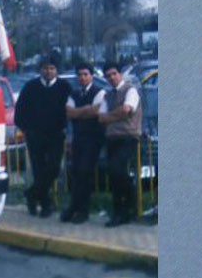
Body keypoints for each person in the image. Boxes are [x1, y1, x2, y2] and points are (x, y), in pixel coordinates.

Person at [14, 55, 72, 217]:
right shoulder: (30, 87)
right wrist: (27, 129)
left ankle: (32, 194)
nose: (48, 71)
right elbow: (19, 112)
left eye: (52, 68)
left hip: (56, 135)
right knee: (39, 169)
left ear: (57, 71)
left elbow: (70, 109)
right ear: (40, 69)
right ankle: (45, 205)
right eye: (46, 68)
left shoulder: (64, 87)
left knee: (54, 168)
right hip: (35, 135)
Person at [99, 62, 143, 227]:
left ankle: (128, 206)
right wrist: (116, 115)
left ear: (120, 74)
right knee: (113, 174)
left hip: (128, 136)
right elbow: (101, 117)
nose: (111, 77)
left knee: (118, 170)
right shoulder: (108, 95)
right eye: (108, 75)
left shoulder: (131, 90)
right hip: (111, 138)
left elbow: (127, 110)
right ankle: (120, 211)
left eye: (114, 74)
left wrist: (111, 116)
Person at [61, 62, 106, 224]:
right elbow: (69, 113)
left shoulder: (99, 92)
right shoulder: (74, 93)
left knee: (85, 173)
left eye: (86, 74)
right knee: (75, 173)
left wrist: (80, 112)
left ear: (92, 76)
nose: (82, 77)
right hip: (78, 139)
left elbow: (97, 111)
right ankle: (74, 206)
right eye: (79, 75)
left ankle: (82, 210)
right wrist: (86, 110)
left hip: (93, 139)